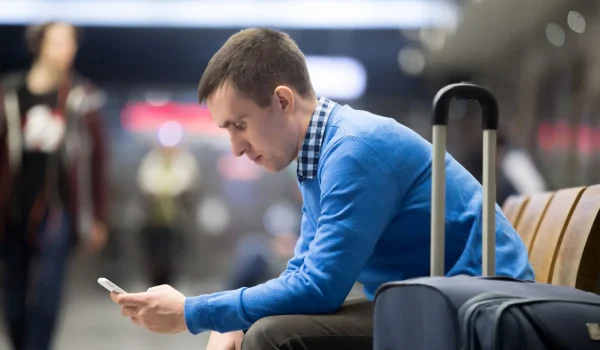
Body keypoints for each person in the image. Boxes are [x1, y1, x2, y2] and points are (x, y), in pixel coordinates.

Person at [110, 28, 534, 350]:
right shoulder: (321, 151)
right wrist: (231, 319)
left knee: (274, 337)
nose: (236, 148)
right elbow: (302, 272)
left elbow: (319, 288)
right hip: (434, 299)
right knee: (259, 327)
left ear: (281, 100)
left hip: (477, 309)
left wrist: (193, 312)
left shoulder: (354, 151)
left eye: (240, 126)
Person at [0, 21, 108, 350]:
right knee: (13, 294)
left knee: (48, 290)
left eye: (70, 43)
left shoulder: (81, 98)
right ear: (39, 45)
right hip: (12, 208)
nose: (66, 50)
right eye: (58, 42)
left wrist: (97, 217)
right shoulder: (9, 95)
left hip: (58, 208)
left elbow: (97, 162)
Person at [137, 142, 200, 286]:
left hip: (176, 220)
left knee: (173, 257)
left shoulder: (185, 162)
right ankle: (155, 285)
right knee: (153, 257)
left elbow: (189, 187)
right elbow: (145, 186)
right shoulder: (151, 161)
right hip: (152, 220)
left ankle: (170, 285)